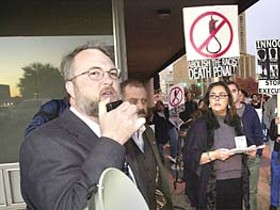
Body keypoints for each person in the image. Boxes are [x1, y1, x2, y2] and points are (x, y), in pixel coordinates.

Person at [19, 42, 172, 210]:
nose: (108, 80)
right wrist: (110, 141)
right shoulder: (42, 143)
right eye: (94, 73)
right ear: (71, 87)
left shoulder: (125, 132)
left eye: (112, 73)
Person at [183, 81, 253, 210]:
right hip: (214, 185)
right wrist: (214, 155)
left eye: (221, 95)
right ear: (208, 100)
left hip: (237, 181)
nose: (217, 99)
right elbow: (190, 157)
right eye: (213, 95)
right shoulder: (200, 125)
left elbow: (242, 144)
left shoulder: (236, 121)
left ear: (228, 100)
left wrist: (248, 151)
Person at [120, 79, 172, 209]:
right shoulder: (116, 137)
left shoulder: (148, 131)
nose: (140, 107)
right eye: (133, 102)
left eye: (143, 101)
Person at [227, 81, 264, 210]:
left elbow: (259, 134)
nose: (231, 94)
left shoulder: (250, 111)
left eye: (233, 91)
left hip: (251, 159)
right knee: (234, 194)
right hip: (232, 160)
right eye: (228, 91)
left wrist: (257, 154)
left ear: (239, 93)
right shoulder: (223, 113)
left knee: (251, 192)